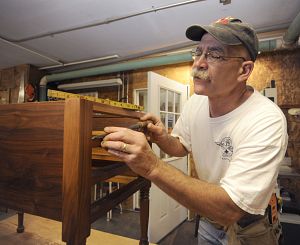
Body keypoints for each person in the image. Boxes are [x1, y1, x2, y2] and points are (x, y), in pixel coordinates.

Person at [101, 17, 288, 245]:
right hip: (209, 217)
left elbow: (230, 209)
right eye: (198, 52)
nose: (198, 63)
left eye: (214, 55)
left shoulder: (265, 119)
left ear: (244, 70)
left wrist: (151, 166)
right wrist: (163, 137)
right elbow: (181, 147)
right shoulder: (197, 102)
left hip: (250, 227)